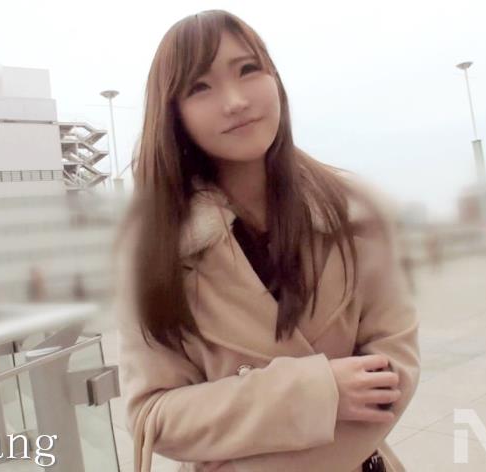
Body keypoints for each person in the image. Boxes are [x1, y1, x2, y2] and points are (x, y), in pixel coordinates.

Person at [115, 10, 420, 472]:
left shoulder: (355, 212)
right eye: (200, 87)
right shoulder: (155, 247)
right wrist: (320, 394)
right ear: (174, 113)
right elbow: (152, 416)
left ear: (274, 78)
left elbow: (392, 376)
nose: (235, 101)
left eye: (247, 69)